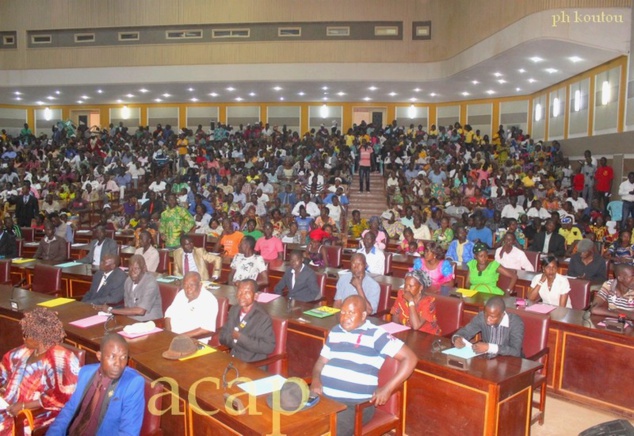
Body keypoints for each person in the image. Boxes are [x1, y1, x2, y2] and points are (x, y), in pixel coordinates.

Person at [310, 295, 417, 436]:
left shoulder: (376, 334)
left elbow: (410, 358)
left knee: (323, 432)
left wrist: (387, 389)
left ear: (363, 316)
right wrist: (316, 380)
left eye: (351, 313)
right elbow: (320, 362)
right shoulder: (335, 331)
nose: (345, 317)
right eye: (342, 312)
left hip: (354, 406)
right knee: (296, 422)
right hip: (325, 398)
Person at [46, 333, 145, 436]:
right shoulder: (86, 373)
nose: (118, 364)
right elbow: (69, 410)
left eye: (123, 357)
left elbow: (128, 432)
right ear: (99, 356)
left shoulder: (132, 384)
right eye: (112, 357)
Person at [0, 308, 79, 434]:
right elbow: (4, 368)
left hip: (38, 414)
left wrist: (23, 406)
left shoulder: (60, 359)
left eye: (26, 335)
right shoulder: (25, 351)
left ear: (39, 337)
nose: (23, 338)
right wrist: (4, 388)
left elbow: (61, 398)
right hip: (11, 405)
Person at [219, 279, 276, 362]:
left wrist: (240, 338)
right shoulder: (234, 309)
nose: (242, 296)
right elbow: (222, 336)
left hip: (252, 364)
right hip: (233, 359)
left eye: (247, 292)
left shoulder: (262, 317)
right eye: (240, 292)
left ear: (255, 296)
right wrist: (235, 340)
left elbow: (268, 347)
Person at [94, 255, 162, 322]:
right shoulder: (128, 281)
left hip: (150, 322)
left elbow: (141, 311)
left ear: (144, 268)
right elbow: (127, 307)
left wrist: (110, 310)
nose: (132, 272)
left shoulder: (150, 283)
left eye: (136, 268)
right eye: (130, 268)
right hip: (131, 320)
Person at [452, 296, 524, 357]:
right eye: (486, 315)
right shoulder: (482, 317)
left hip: (509, 364)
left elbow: (516, 352)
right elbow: (466, 331)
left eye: (492, 317)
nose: (487, 319)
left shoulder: (515, 322)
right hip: (488, 360)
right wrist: (457, 338)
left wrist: (489, 347)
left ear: (502, 314)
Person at [165, 272, 218, 338]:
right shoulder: (181, 294)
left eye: (191, 285)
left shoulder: (209, 300)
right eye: (185, 285)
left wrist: (179, 337)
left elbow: (206, 329)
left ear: (200, 285)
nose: (188, 289)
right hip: (172, 336)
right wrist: (168, 333)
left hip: (192, 340)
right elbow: (168, 315)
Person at [390, 270, 442, 335]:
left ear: (421, 288)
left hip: (427, 337)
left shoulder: (428, 303)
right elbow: (395, 316)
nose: (406, 289)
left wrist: (411, 301)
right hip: (407, 335)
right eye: (405, 285)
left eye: (411, 286)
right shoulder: (401, 295)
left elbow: (416, 326)